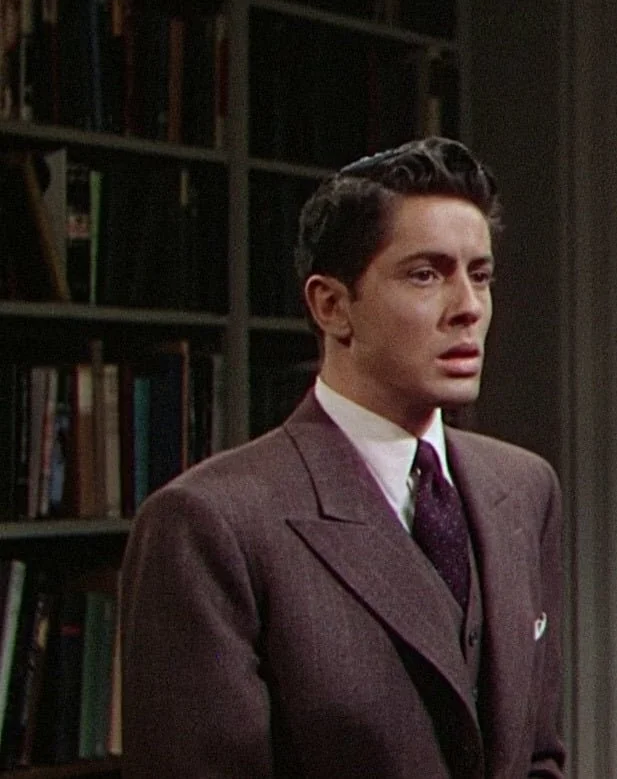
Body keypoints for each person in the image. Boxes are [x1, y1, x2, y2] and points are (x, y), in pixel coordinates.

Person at [120, 137, 565, 777]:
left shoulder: (523, 488)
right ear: (332, 306)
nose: (467, 307)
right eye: (426, 274)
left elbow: (537, 755)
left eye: (481, 274)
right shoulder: (211, 525)